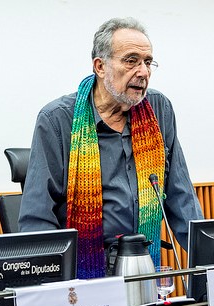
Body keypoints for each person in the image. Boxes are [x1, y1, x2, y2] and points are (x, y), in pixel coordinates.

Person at [19, 17, 203, 279]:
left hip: (143, 264)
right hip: (80, 274)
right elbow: (37, 220)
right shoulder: (57, 120)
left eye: (148, 62)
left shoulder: (159, 110)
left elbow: (181, 197)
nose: (143, 72)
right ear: (100, 66)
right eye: (131, 60)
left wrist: (207, 258)